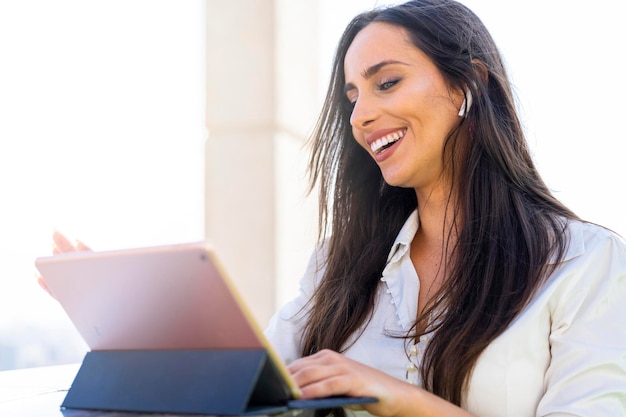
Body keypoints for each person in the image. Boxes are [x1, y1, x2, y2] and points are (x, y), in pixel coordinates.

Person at [46, 1, 626, 416]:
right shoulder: (339, 265)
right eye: (352, 97)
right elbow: (257, 386)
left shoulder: (583, 263)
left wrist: (402, 401)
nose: (360, 116)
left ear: (466, 86)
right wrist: (138, 322)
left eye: (387, 82)